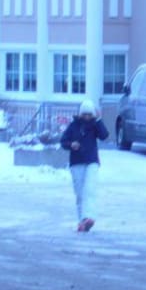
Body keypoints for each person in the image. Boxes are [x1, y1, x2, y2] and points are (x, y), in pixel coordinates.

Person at [61, 98, 109, 232]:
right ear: (81, 114)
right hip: (76, 162)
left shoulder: (95, 125)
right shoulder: (73, 126)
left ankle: (89, 217)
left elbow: (104, 136)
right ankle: (82, 221)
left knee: (90, 189)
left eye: (90, 114)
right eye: (85, 114)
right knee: (80, 193)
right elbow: (63, 141)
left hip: (92, 161)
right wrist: (71, 145)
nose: (87, 117)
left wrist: (99, 120)